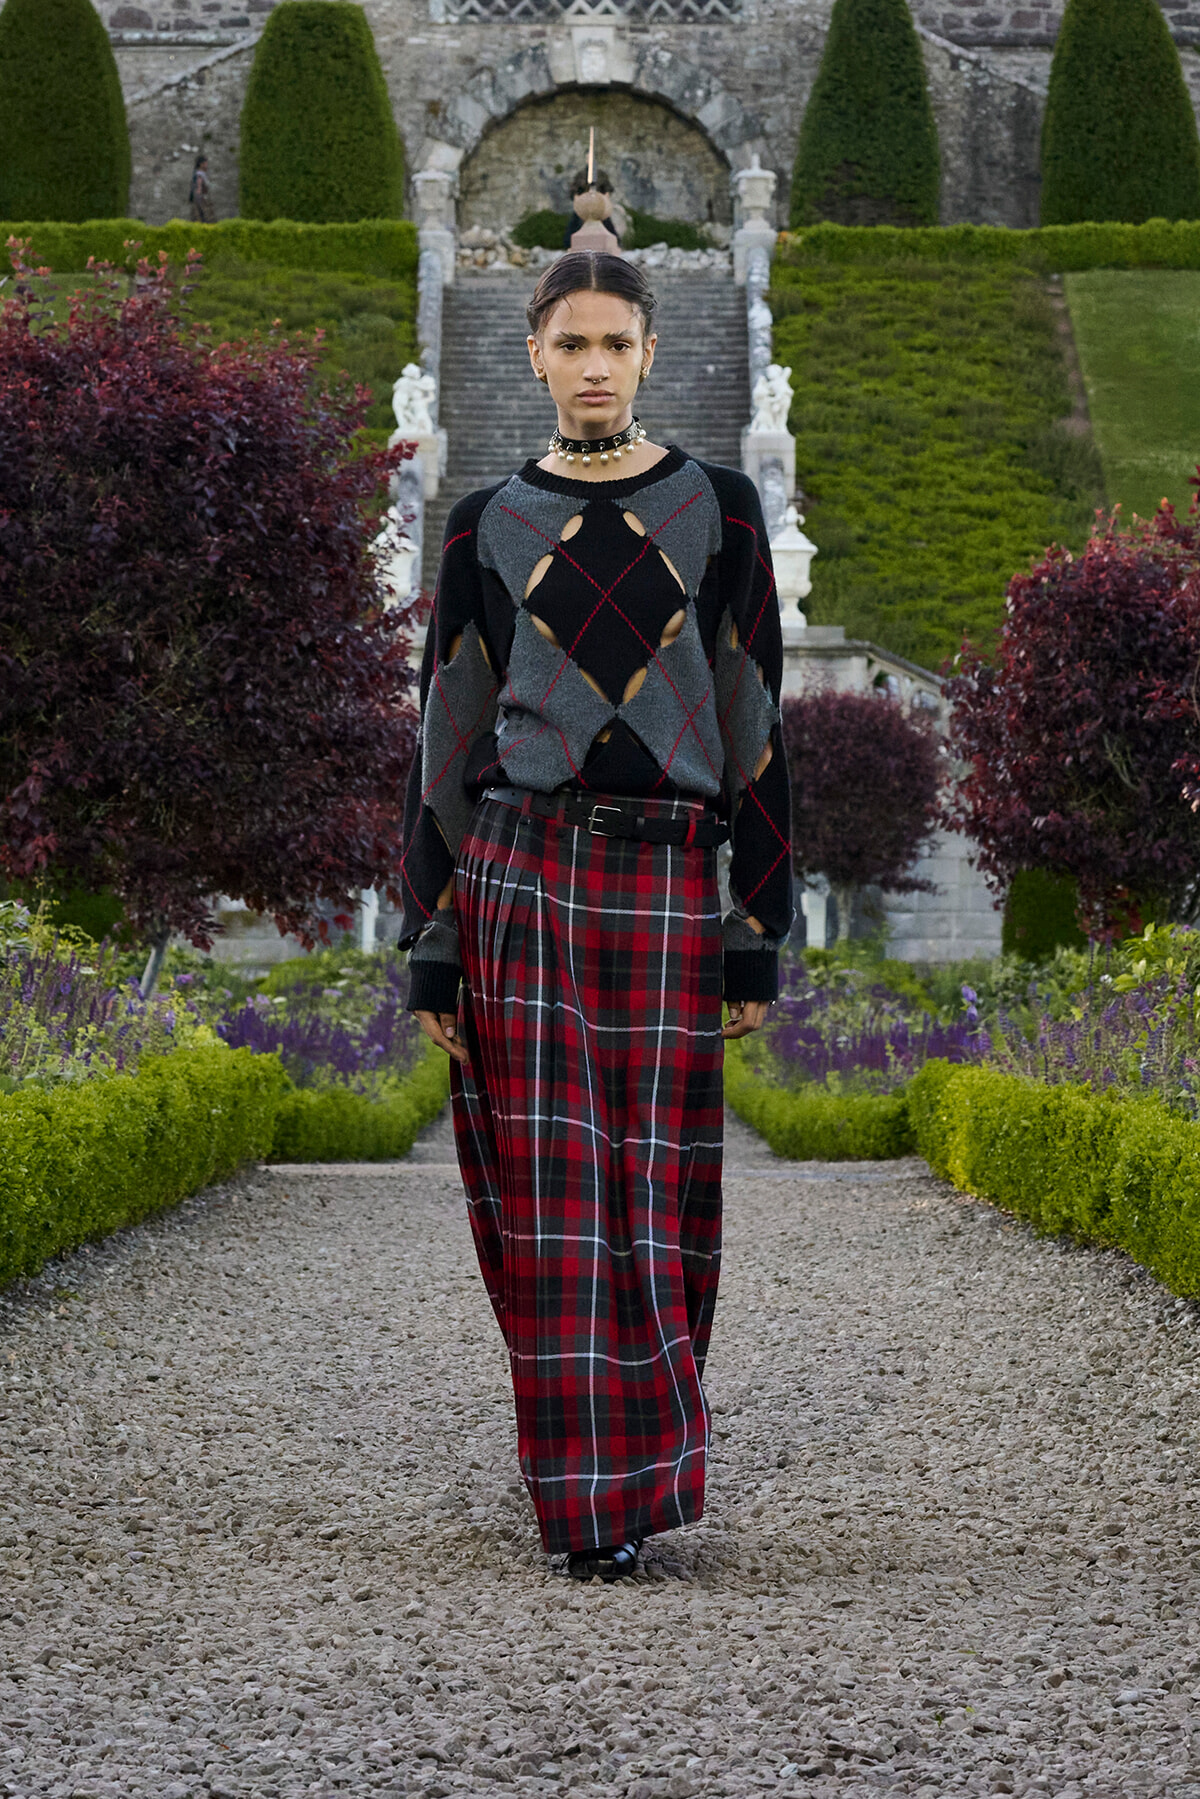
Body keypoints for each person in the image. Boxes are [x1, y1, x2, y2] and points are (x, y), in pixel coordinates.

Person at [398, 251, 792, 1583]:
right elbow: (449, 737)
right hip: (521, 873)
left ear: (648, 351)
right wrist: (433, 944)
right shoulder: (485, 524)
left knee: (663, 1196)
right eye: (570, 343)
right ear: (535, 354)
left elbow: (751, 716)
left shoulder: (721, 509)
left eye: (615, 342)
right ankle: (586, 1503)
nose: (594, 365)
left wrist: (757, 921)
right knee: (556, 1199)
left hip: (671, 879)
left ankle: (644, 1469)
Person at [563, 167, 620, 248]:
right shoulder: (582, 175)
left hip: (598, 205)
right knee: (576, 224)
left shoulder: (600, 175)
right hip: (584, 205)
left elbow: (607, 190)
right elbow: (574, 191)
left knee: (605, 224)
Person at [188, 154, 215, 225]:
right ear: (201, 164)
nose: (207, 165)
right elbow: (199, 188)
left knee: (203, 218)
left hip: (200, 198)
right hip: (200, 199)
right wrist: (203, 199)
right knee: (203, 218)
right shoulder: (199, 174)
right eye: (205, 163)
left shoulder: (201, 173)